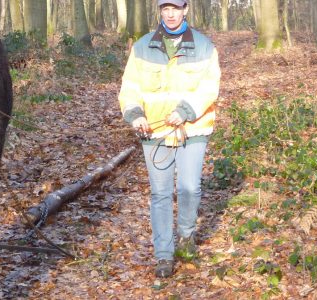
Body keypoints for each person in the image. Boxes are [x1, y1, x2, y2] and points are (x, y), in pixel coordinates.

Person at [118, 0, 221, 278]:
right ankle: (163, 255)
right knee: (160, 194)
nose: (171, 13)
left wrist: (185, 111)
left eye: (175, 8)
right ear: (160, 11)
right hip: (154, 132)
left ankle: (186, 238)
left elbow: (210, 87)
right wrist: (135, 114)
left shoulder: (204, 46)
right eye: (165, 8)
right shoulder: (141, 47)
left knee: (189, 188)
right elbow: (129, 88)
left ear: (185, 9)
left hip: (194, 129)